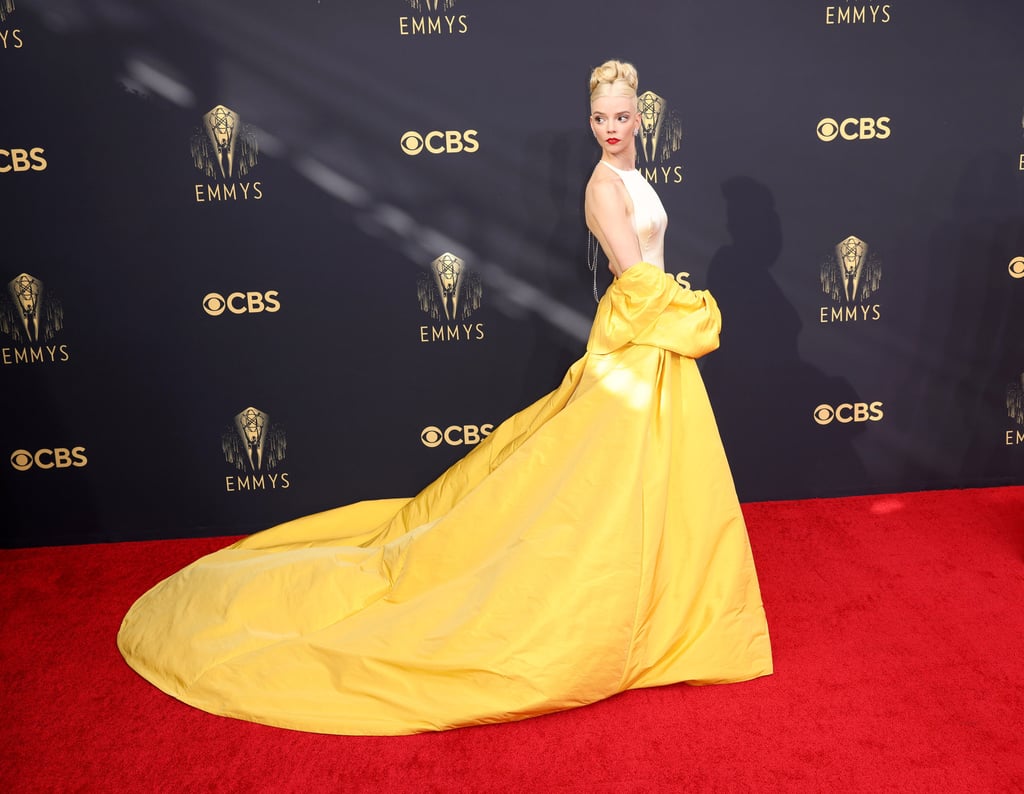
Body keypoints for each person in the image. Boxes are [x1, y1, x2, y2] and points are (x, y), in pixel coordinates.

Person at [117, 59, 773, 736]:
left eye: (620, 117)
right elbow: (632, 280)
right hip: (639, 334)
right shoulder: (604, 188)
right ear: (592, 123)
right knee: (606, 485)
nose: (610, 129)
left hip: (654, 339)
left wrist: (679, 314)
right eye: (599, 120)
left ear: (641, 117)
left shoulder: (636, 175)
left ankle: (664, 605)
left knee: (654, 479)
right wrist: (694, 312)